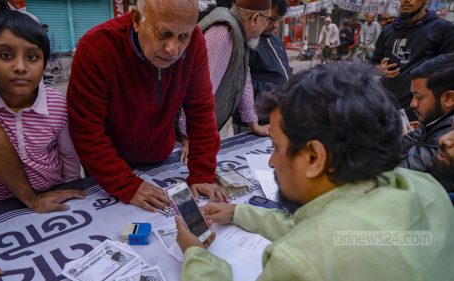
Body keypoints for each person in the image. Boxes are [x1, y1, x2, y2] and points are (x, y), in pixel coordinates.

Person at [175, 62, 454, 280]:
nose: (272, 162)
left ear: (314, 157)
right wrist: (238, 212)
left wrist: (197, 256)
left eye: (276, 147)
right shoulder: (427, 190)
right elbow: (328, 228)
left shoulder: (300, 261)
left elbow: (323, 242)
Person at [67, 0, 229, 213]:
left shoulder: (196, 41)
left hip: (160, 156)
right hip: (107, 167)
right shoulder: (97, 47)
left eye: (183, 37)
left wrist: (202, 174)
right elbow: (86, 130)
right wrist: (126, 184)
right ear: (137, 20)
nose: (173, 50)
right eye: (163, 34)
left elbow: (201, 111)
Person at [0, 25, 78, 281]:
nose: (20, 67)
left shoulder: (56, 103)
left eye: (32, 57)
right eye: (5, 55)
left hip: (53, 192)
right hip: (3, 204)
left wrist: (72, 186)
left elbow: (68, 154)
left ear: (45, 62)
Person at [178, 0, 272, 164]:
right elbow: (198, 90)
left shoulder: (240, 35)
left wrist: (254, 125)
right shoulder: (224, 32)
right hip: (179, 135)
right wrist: (187, 136)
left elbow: (244, 80)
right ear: (255, 18)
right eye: (268, 20)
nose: (268, 27)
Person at [372, 0, 454, 120]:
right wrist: (378, 69)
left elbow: (450, 66)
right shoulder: (388, 30)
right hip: (386, 107)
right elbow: (372, 64)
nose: (405, 0)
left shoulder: (443, 29)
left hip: (422, 112)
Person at [402, 54, 454, 192]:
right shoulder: (436, 120)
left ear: (449, 98)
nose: (413, 104)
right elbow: (405, 141)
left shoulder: (446, 135)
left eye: (418, 97)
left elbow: (401, 171)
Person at [249, 0, 292, 102]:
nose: (275, 25)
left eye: (279, 20)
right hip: (259, 113)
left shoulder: (277, 41)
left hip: (280, 107)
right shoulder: (248, 42)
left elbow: (284, 70)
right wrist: (278, 90)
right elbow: (243, 85)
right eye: (271, 19)